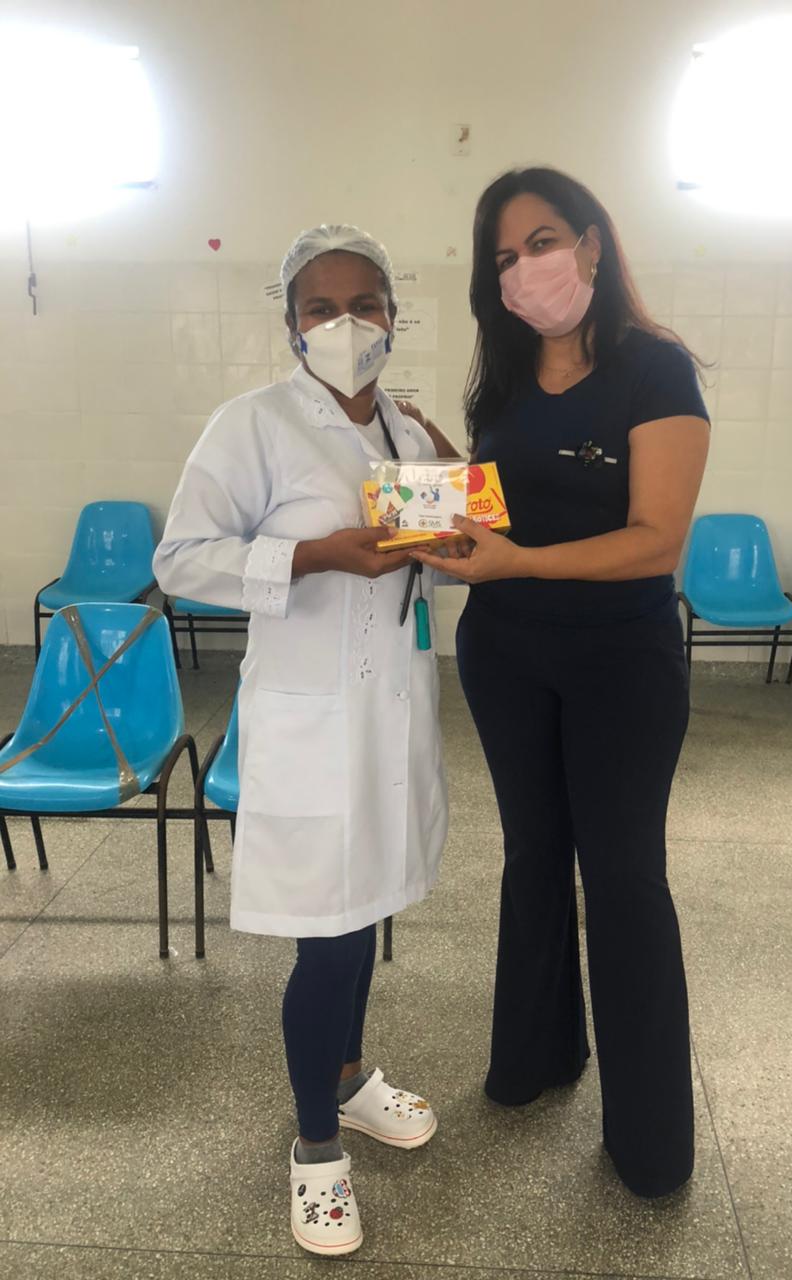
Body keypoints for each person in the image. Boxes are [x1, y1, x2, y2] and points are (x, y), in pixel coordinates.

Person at [154, 225, 457, 1256]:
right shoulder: (252, 424)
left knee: (365, 908)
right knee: (327, 936)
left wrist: (457, 481)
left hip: (392, 711)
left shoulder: (406, 431)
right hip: (311, 721)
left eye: (364, 303)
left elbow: (448, 551)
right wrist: (317, 555)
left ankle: (349, 1076)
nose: (345, 324)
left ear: (393, 316)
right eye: (320, 308)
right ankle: (316, 1146)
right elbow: (183, 559)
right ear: (290, 326)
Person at [413, 168, 710, 1198]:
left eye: (540, 241)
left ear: (590, 243)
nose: (522, 269)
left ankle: (650, 1140)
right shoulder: (500, 377)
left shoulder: (654, 369)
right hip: (506, 653)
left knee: (623, 879)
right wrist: (438, 462)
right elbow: (505, 504)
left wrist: (522, 563)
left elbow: (655, 538)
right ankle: (537, 1055)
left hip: (620, 662)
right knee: (533, 855)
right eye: (503, 256)